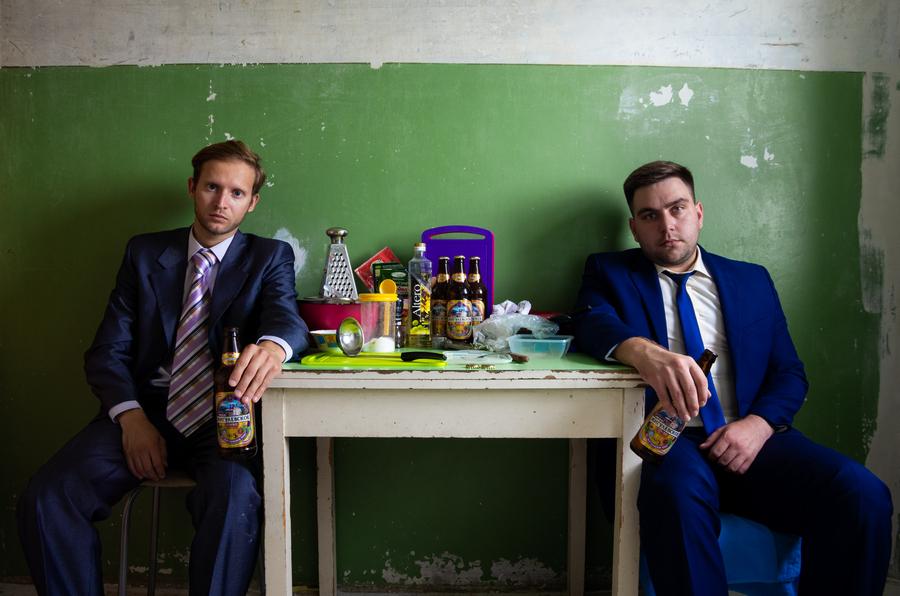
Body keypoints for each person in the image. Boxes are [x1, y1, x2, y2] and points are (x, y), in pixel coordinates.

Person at [575, 160, 892, 595]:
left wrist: (758, 427)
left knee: (863, 494)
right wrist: (646, 353)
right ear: (634, 228)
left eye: (677, 208)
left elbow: (789, 373)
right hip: (669, 442)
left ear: (698, 213)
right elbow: (589, 322)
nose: (667, 225)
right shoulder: (609, 272)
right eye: (650, 215)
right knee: (677, 497)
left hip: (752, 438)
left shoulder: (751, 280)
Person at [17, 140, 309, 595]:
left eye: (236, 192)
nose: (222, 201)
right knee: (48, 496)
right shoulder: (144, 253)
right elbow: (107, 350)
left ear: (252, 202)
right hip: (144, 414)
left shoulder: (268, 257)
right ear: (192, 187)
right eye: (212, 187)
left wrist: (273, 347)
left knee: (236, 500)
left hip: (225, 423)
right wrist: (131, 418)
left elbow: (287, 320)